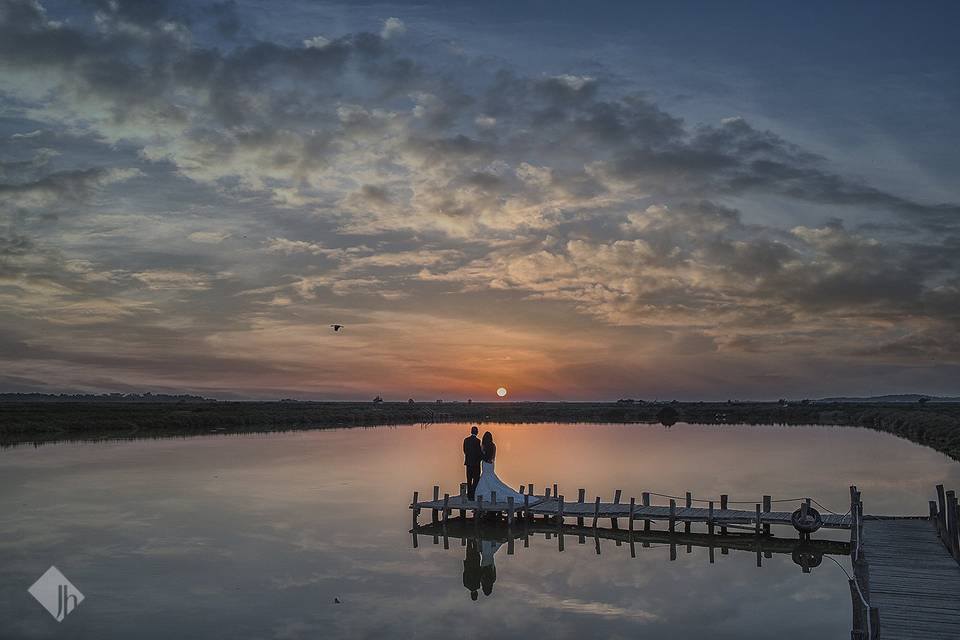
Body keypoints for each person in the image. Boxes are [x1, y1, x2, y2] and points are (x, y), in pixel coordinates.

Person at [473, 431, 526, 505]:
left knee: (485, 476)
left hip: (485, 464)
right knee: (491, 475)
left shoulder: (483, 445)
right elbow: (493, 456)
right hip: (491, 464)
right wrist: (491, 460)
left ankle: (486, 490)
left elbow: (482, 455)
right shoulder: (493, 445)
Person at [463, 425, 483, 500]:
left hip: (468, 463)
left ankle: (469, 495)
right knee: (476, 479)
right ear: (477, 432)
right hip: (475, 464)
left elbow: (464, 451)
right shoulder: (478, 441)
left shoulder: (466, 440)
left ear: (471, 432)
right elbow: (479, 452)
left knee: (468, 479)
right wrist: (482, 458)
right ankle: (473, 493)